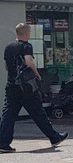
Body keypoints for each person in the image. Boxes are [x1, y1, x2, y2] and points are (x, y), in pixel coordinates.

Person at [1, 23, 67, 152]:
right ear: (26, 33)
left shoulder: (8, 47)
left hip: (11, 85)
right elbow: (29, 61)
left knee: (8, 114)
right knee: (38, 112)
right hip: (27, 87)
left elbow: (6, 66)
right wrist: (37, 74)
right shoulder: (26, 46)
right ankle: (54, 137)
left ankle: (3, 143)